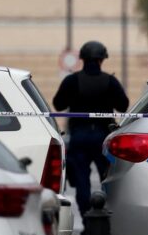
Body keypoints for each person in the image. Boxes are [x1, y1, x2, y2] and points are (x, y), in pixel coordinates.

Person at [53, 41, 129, 220]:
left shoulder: (72, 80)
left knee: (81, 181)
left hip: (79, 136)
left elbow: (58, 104)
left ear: (82, 59)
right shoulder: (110, 81)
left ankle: (88, 221)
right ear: (102, 59)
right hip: (103, 137)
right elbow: (123, 106)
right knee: (108, 180)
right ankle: (106, 220)